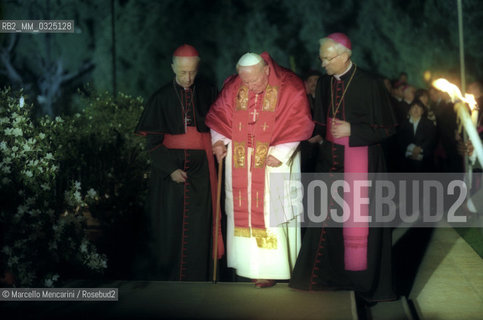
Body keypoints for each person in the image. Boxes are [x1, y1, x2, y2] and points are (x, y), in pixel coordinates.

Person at [289, 33, 397, 302]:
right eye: (322, 57)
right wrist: (314, 134)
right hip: (330, 161)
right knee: (326, 221)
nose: (323, 63)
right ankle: (324, 278)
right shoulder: (325, 83)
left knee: (358, 227)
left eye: (327, 58)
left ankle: (363, 285)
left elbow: (389, 127)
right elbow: (323, 121)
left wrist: (353, 130)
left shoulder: (371, 83)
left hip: (362, 162)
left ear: (345, 55)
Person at [205, 52, 314, 288]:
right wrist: (218, 142)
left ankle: (271, 268)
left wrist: (281, 153)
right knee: (242, 210)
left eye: (254, 81)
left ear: (266, 70)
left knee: (270, 212)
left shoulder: (290, 85)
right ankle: (248, 265)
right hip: (241, 160)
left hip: (273, 160)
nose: (250, 86)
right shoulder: (235, 85)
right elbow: (219, 118)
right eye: (245, 81)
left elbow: (298, 122)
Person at [134, 44, 223, 281]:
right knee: (170, 227)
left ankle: (198, 277)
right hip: (170, 173)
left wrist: (219, 145)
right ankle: (169, 277)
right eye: (183, 72)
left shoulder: (208, 92)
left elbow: (219, 128)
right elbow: (152, 143)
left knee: (200, 226)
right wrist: (170, 169)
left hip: (202, 171)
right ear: (172, 67)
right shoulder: (161, 97)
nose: (188, 78)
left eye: (192, 72)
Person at [397, 100, 437, 172]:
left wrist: (420, 148)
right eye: (413, 107)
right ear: (409, 110)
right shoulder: (403, 124)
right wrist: (410, 151)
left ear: (422, 111)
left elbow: (432, 139)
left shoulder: (429, 123)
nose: (416, 109)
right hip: (407, 159)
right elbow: (400, 140)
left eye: (418, 107)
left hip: (425, 159)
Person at [301, 70, 323, 173]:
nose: (313, 83)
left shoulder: (328, 100)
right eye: (310, 81)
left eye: (316, 80)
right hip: (307, 144)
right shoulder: (303, 100)